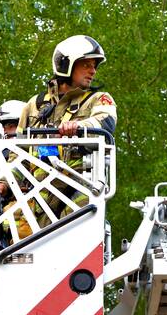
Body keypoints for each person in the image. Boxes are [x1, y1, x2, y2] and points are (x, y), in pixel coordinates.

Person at [17, 35, 118, 222]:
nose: (93, 71)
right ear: (66, 65)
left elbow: (106, 122)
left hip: (79, 187)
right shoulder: (34, 105)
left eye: (95, 66)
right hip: (39, 194)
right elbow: (17, 152)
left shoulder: (98, 99)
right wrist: (4, 184)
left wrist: (79, 126)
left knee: (73, 229)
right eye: (86, 65)